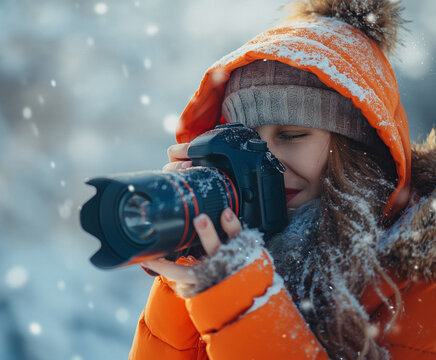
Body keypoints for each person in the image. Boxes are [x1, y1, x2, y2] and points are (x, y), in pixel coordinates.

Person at [129, 1, 436, 359]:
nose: (265, 160)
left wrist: (241, 300)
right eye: (246, 139)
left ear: (358, 149)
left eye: (291, 135)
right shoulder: (224, 244)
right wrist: (192, 255)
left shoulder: (417, 274)